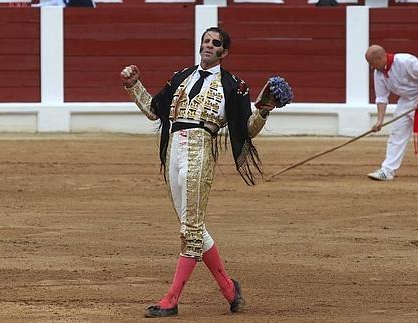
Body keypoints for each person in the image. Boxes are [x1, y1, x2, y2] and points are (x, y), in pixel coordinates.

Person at [120, 27, 292, 317]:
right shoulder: (180, 77)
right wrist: (133, 85)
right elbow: (154, 111)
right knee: (192, 224)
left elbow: (245, 129)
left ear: (224, 52)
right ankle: (228, 289)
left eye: (215, 43)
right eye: (205, 41)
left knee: (190, 230)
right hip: (174, 147)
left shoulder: (235, 86)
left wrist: (263, 110)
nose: (208, 46)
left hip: (200, 150)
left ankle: (171, 299)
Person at [365, 44, 418, 182]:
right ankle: (387, 170)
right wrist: (380, 121)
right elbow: (381, 97)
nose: (371, 67)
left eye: (372, 63)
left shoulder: (405, 61)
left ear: (379, 58)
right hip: (406, 100)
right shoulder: (378, 73)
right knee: (397, 132)